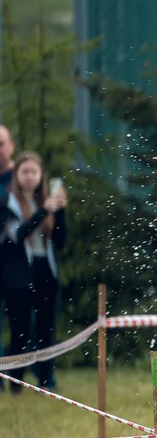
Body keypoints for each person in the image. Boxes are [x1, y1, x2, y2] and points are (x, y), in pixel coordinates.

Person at [1, 152, 68, 391]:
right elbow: (16, 235)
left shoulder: (47, 203)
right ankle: (16, 383)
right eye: (25, 172)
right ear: (16, 175)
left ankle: (46, 383)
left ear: (41, 176)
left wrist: (59, 212)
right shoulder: (6, 203)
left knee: (46, 332)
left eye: (34, 172)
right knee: (20, 332)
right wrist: (43, 212)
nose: (30, 177)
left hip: (46, 271)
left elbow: (60, 241)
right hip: (18, 274)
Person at [0, 126, 15, 386]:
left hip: (17, 264)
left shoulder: (22, 176)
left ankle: (19, 380)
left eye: (1, 143)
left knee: (23, 324)